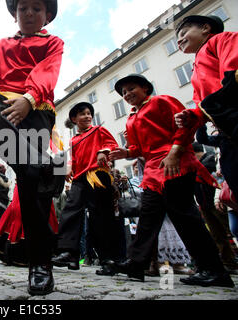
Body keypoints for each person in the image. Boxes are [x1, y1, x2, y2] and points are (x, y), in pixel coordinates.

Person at [0, 0, 63, 295]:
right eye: (23, 8)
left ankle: (40, 264)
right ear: (14, 13)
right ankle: (44, 165)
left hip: (37, 108)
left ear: (47, 15)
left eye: (37, 9)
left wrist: (28, 100)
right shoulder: (4, 43)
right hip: (3, 106)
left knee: (29, 187)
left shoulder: (53, 42)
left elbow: (48, 72)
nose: (29, 13)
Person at [109, 73, 233, 288]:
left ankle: (213, 269)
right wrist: (126, 153)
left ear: (146, 88)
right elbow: (140, 148)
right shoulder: (130, 118)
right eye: (124, 92)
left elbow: (186, 126)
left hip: (175, 164)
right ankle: (136, 264)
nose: (127, 94)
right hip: (152, 171)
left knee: (185, 216)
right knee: (147, 218)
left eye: (131, 88)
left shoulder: (161, 101)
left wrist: (175, 152)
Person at [52, 102, 122, 276]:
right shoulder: (73, 139)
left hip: (97, 175)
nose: (87, 116)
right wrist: (68, 167)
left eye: (89, 113)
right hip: (79, 178)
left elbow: (112, 144)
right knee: (70, 212)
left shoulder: (99, 130)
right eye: (82, 114)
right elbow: (73, 160)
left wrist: (103, 151)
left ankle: (108, 259)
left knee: (100, 217)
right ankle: (70, 254)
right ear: (74, 119)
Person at [174, 15, 238, 199]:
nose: (179, 40)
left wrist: (213, 105)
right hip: (227, 132)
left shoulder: (222, 39)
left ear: (205, 28)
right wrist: (191, 116)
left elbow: (232, 73)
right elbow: (200, 106)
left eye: (184, 32)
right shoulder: (194, 70)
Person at [192, 141, 238, 272]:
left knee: (229, 231)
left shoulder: (211, 160)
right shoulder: (195, 165)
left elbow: (220, 179)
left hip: (216, 201)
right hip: (204, 203)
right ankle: (228, 262)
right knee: (217, 234)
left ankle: (232, 260)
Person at [0, 184, 58, 267]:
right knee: (19, 211)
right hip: (26, 180)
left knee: (42, 212)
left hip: (43, 183)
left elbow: (59, 173)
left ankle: (41, 256)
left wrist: (61, 176)